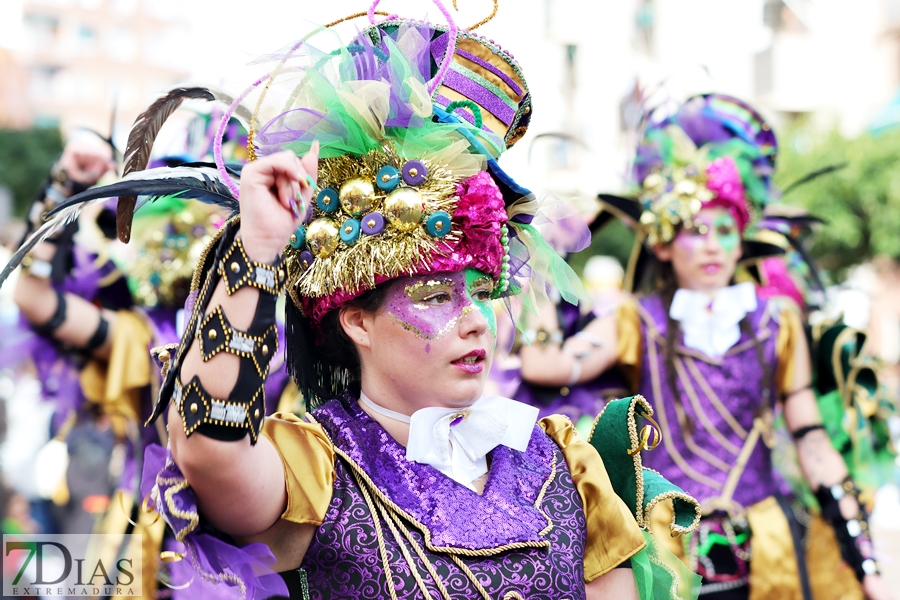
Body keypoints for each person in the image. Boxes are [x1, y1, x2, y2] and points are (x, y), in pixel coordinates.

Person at [26, 8, 707, 599]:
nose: (473, 316)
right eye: (437, 294)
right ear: (356, 320)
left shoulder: (563, 459)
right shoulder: (318, 464)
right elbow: (211, 450)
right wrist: (260, 251)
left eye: (481, 291)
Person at [546, 94, 892, 600]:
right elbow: (547, 365)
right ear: (662, 242)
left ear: (742, 239)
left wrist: (867, 564)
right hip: (669, 552)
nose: (712, 244)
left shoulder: (778, 322)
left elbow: (813, 443)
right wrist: (547, 269)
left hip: (767, 553)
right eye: (695, 229)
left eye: (725, 229)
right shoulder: (633, 320)